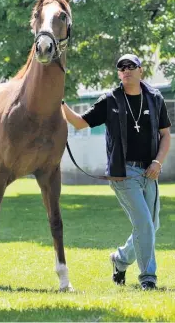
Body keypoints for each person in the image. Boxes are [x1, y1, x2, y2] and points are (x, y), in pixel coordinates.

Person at [62, 54, 171, 290]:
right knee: (144, 223)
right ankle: (148, 278)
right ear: (119, 73)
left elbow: (165, 135)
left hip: (150, 171)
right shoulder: (110, 100)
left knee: (151, 226)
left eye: (131, 66)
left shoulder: (154, 98)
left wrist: (157, 163)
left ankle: (120, 260)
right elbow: (80, 123)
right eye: (122, 68)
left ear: (141, 70)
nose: (126, 70)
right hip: (124, 173)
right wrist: (60, 104)